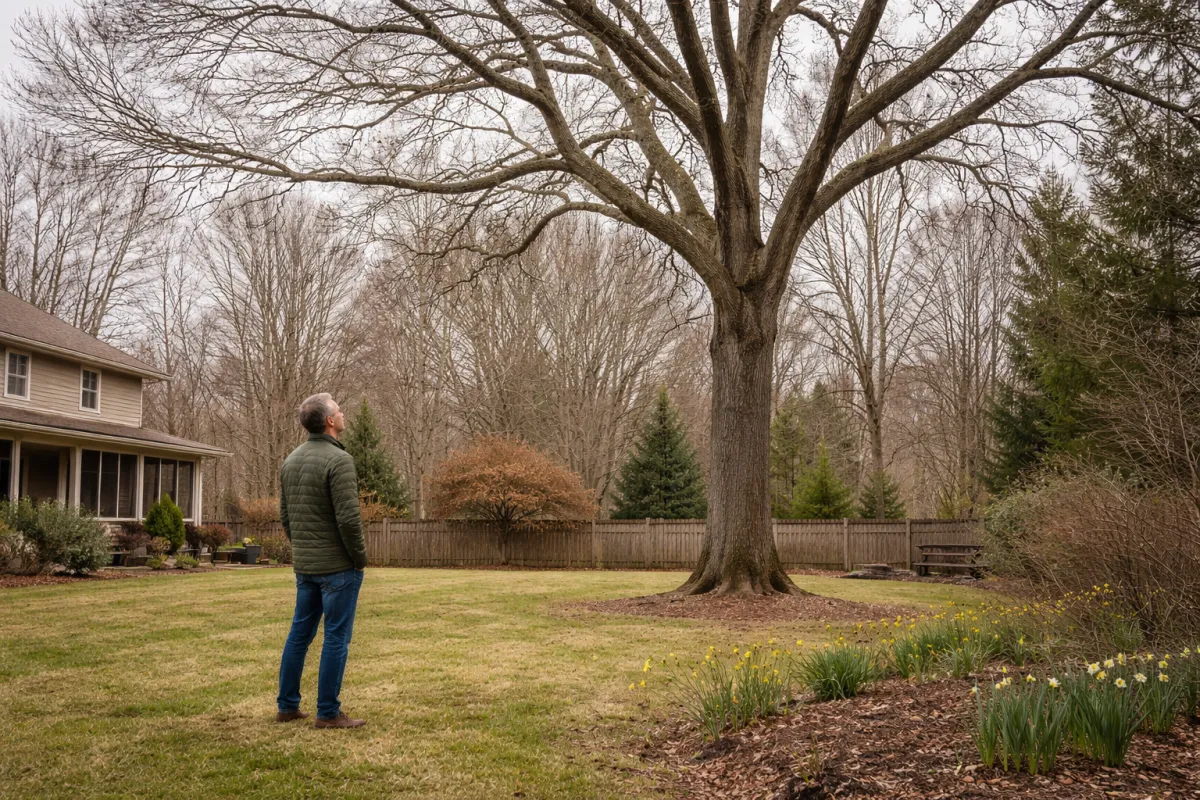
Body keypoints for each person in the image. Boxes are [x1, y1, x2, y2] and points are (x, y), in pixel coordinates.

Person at [275, 392, 368, 729]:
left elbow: (285, 516)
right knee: (336, 638)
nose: (344, 413)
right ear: (330, 421)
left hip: (306, 567)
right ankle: (328, 712)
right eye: (339, 410)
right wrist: (359, 558)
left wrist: (302, 549)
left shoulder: (291, 460)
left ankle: (287, 706)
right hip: (337, 567)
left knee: (299, 634)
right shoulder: (340, 461)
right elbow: (348, 519)